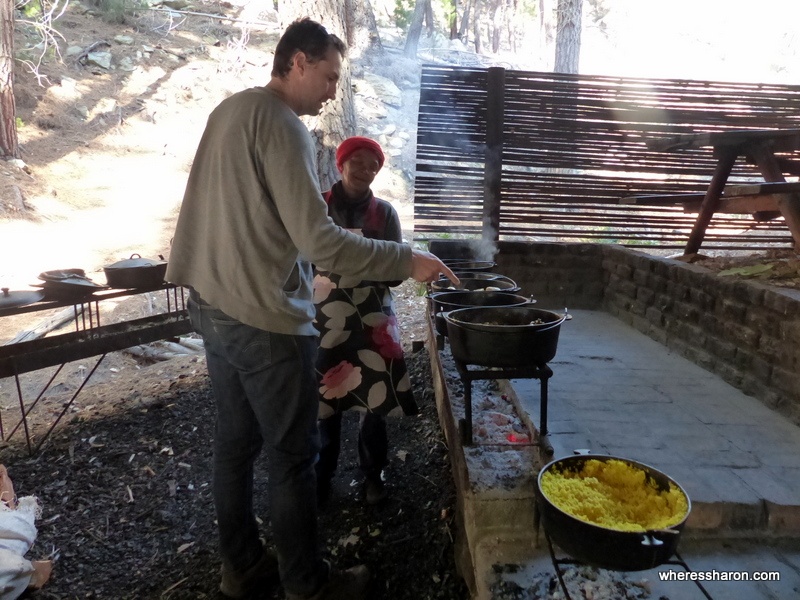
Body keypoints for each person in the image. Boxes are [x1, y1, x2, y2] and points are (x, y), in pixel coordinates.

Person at [165, 17, 458, 600]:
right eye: (327, 76)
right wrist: (407, 260)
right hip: (262, 317)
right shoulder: (282, 126)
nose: (331, 91)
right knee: (293, 456)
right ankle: (307, 583)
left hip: (212, 303)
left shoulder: (229, 110)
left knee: (234, 445)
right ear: (297, 61)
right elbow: (320, 242)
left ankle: (242, 567)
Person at [314, 137, 415, 507]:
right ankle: (321, 475)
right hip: (325, 316)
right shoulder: (317, 206)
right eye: (357, 161)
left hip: (373, 316)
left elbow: (396, 269)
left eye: (373, 164)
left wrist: (364, 267)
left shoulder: (385, 213)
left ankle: (373, 474)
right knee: (327, 396)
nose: (365, 168)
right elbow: (303, 259)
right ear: (340, 164)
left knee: (375, 399)